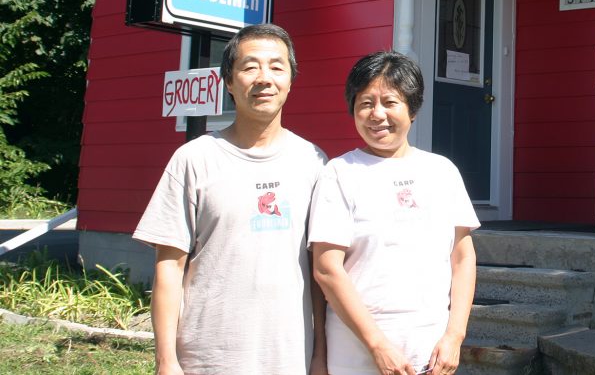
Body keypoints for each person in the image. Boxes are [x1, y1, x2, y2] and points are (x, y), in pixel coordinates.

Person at [133, 24, 328, 375]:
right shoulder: (194, 159)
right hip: (208, 357)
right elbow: (169, 266)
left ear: (290, 80)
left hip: (291, 356)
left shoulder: (313, 161)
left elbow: (320, 270)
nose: (264, 78)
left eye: (276, 66)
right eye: (250, 66)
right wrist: (166, 361)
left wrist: (321, 356)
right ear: (228, 82)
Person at [309, 50, 479, 375]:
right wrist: (377, 345)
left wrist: (455, 336)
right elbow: (327, 269)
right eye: (365, 103)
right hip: (357, 352)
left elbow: (462, 257)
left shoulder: (441, 171)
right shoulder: (340, 173)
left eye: (390, 102)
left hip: (430, 352)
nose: (377, 114)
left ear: (412, 110)